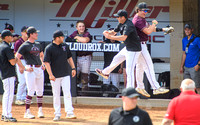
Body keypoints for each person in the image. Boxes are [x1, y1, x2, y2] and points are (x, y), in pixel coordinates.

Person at [96, 9, 141, 88]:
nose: (117, 18)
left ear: (123, 17)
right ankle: (105, 72)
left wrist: (110, 36)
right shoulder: (121, 23)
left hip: (134, 49)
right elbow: (114, 31)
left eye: (118, 17)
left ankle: (130, 90)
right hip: (127, 47)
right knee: (116, 58)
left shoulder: (128, 25)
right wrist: (107, 32)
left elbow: (123, 38)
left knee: (129, 70)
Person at [132, 2, 170, 97]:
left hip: (139, 45)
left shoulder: (141, 19)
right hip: (140, 45)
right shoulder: (138, 20)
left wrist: (163, 29)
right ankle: (156, 88)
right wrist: (154, 23)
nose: (145, 12)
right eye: (144, 10)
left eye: (146, 10)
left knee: (140, 67)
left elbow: (150, 28)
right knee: (148, 66)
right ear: (138, 10)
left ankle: (140, 86)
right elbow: (148, 31)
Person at [44, 30, 77, 121]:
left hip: (66, 74)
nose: (63, 38)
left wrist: (73, 68)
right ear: (57, 38)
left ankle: (69, 112)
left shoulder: (65, 46)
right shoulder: (49, 48)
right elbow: (46, 62)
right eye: (62, 37)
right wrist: (50, 75)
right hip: (55, 76)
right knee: (56, 95)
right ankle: (57, 113)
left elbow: (69, 57)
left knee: (67, 93)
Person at [15, 26, 45, 119]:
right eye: (35, 33)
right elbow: (17, 57)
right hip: (30, 68)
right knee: (31, 90)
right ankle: (27, 112)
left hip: (39, 68)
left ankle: (40, 110)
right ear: (31, 34)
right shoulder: (25, 45)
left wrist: (43, 63)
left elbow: (41, 55)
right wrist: (24, 68)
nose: (37, 34)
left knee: (40, 90)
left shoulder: (38, 44)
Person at [68, 21, 93, 91]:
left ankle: (84, 93)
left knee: (85, 76)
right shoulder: (74, 33)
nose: (81, 28)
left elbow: (85, 40)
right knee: (74, 75)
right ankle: (74, 91)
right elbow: (68, 39)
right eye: (80, 26)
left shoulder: (87, 33)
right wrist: (77, 38)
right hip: (76, 58)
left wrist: (76, 38)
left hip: (85, 57)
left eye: (83, 26)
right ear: (77, 27)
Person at [0, 30, 18, 122]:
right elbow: (12, 62)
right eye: (10, 36)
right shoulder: (6, 47)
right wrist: (17, 58)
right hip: (8, 74)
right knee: (9, 95)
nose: (12, 37)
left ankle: (4, 114)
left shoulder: (1, 46)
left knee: (7, 94)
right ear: (6, 37)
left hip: (4, 73)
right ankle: (7, 115)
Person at [179, 24, 200, 94]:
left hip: (194, 66)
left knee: (197, 87)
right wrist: (181, 66)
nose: (187, 31)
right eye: (185, 29)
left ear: (192, 30)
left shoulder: (197, 39)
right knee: (187, 87)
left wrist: (198, 64)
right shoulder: (184, 40)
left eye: (188, 29)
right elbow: (184, 53)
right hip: (186, 67)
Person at [14, 26, 28, 105]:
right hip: (20, 61)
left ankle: (24, 97)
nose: (27, 34)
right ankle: (18, 98)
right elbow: (16, 56)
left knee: (26, 81)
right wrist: (20, 66)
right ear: (22, 33)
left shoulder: (29, 41)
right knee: (22, 81)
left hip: (27, 61)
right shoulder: (18, 42)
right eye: (25, 32)